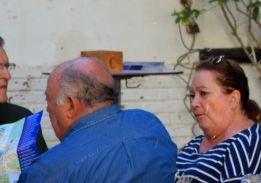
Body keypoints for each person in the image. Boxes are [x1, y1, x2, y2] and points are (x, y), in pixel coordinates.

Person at [12, 56, 176, 183]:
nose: (48, 110)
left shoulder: (48, 171)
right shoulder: (149, 122)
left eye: (49, 102)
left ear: (70, 105)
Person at [176, 57, 261, 183]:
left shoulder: (248, 145)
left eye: (203, 93)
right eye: (192, 95)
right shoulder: (194, 145)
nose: (194, 103)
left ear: (233, 98)